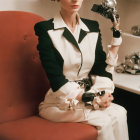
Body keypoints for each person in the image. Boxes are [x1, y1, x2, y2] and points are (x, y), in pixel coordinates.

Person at [34, 0, 129, 140]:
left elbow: (100, 68)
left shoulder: (92, 27)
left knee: (121, 112)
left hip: (89, 94)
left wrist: (103, 93)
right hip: (60, 102)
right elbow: (56, 79)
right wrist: (93, 98)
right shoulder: (46, 29)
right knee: (106, 121)